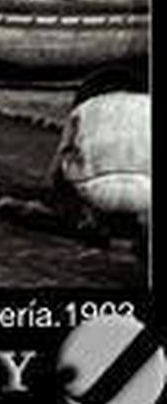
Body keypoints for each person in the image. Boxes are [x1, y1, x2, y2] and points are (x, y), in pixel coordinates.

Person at [49, 64, 151, 259]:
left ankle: (90, 221)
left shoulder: (82, 110)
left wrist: (57, 193)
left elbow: (60, 156)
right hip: (147, 194)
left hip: (97, 192)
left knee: (73, 161)